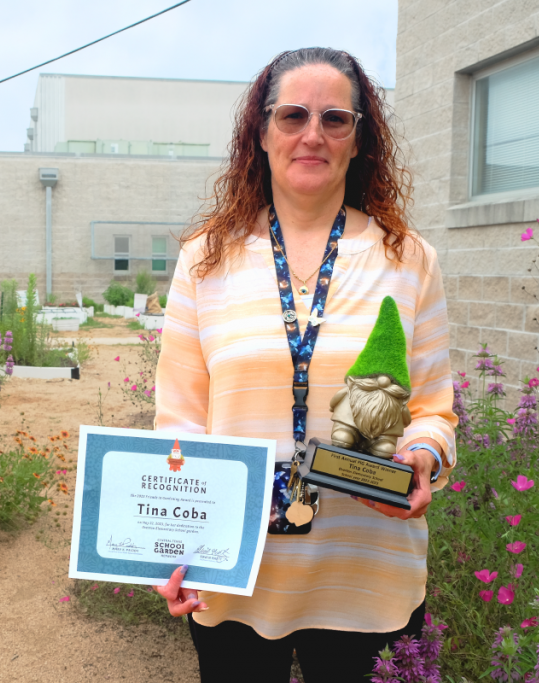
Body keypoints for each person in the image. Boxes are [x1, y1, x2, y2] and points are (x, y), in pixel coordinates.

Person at [153, 48, 457, 682]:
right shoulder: (205, 261)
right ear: (260, 134)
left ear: (357, 140)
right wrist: (174, 551)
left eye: (335, 118)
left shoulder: (409, 260)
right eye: (292, 115)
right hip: (237, 574)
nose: (312, 134)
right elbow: (178, 421)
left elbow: (433, 407)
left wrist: (424, 458)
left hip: (369, 577)